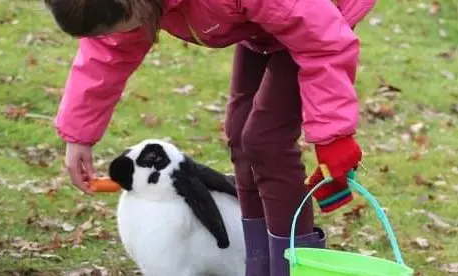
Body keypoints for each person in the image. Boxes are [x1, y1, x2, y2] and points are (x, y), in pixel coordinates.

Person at [44, 0, 376, 275]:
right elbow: (107, 53)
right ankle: (258, 264)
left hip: (319, 16)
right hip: (263, 24)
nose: (117, 36)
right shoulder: (132, 8)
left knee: (266, 141)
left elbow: (319, 37)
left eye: (118, 26)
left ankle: (297, 267)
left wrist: (334, 135)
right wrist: (79, 134)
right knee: (240, 136)